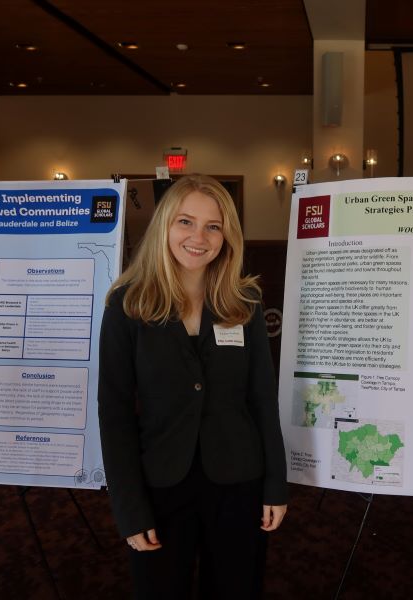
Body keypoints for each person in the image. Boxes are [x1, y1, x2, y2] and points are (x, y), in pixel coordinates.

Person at [98, 174, 287, 599]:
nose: (198, 237)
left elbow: (262, 398)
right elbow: (114, 415)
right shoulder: (127, 306)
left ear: (227, 234)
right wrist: (128, 509)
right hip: (160, 485)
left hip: (239, 482)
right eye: (186, 222)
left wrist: (275, 482)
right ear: (165, 224)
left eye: (213, 226)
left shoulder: (245, 302)